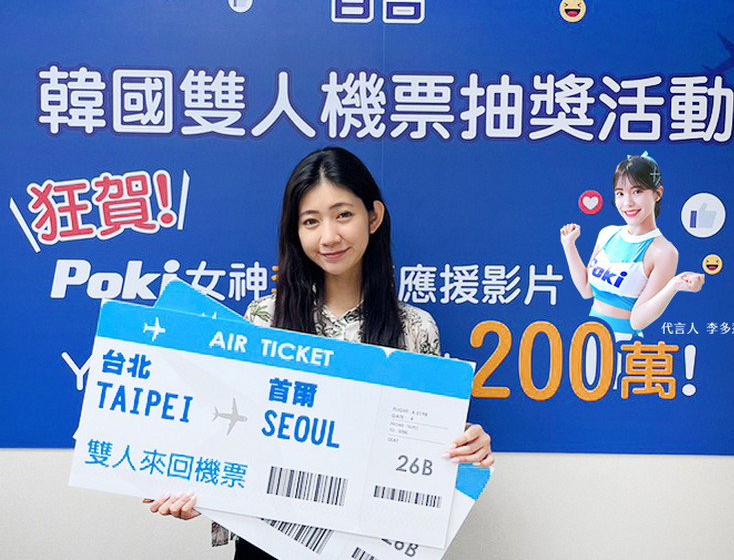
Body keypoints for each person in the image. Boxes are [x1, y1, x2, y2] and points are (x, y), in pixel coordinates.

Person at [147, 147, 494, 558]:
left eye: (343, 214)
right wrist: (198, 492)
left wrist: (466, 447)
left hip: (368, 545)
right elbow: (232, 432)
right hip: (271, 542)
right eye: (311, 221)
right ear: (295, 230)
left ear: (374, 217)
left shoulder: (415, 329)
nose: (328, 236)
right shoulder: (262, 319)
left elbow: (427, 454)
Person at [559, 153, 704, 386]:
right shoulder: (607, 234)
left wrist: (673, 287)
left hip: (624, 345)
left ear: (657, 194)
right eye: (620, 193)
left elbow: (637, 320)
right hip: (589, 337)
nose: (627, 202)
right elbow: (586, 289)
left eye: (637, 191)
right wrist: (569, 246)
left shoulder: (663, 251)